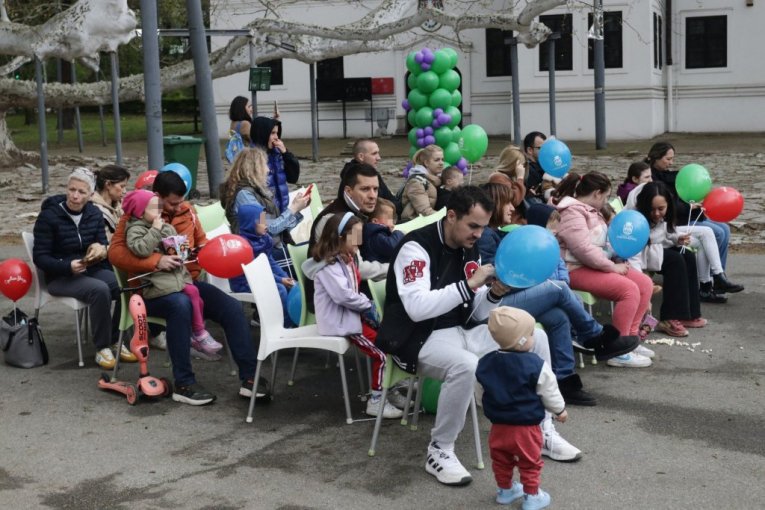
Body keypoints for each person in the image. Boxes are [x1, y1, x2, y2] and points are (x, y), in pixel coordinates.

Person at [376, 186, 580, 487]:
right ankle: (440, 449)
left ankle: (542, 430)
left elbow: (474, 312)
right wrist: (469, 285)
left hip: (463, 330)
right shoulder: (415, 247)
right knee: (466, 365)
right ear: (451, 216)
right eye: (473, 226)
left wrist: (493, 294)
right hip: (418, 337)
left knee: (535, 338)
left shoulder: (468, 245)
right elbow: (417, 309)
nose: (479, 234)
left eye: (483, 227)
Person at [109, 171, 267, 406]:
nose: (178, 206)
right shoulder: (138, 213)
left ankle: (250, 377)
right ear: (157, 196)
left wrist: (203, 252)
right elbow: (115, 254)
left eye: (181, 201)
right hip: (152, 289)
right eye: (172, 203)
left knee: (232, 308)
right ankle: (184, 383)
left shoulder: (188, 211)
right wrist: (156, 261)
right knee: (180, 306)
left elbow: (202, 242)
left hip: (186, 282)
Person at [478, 184, 630, 406]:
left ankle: (564, 380)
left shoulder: (500, 232)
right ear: (493, 205)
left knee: (558, 316)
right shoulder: (485, 236)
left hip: (510, 295)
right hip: (492, 303)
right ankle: (593, 335)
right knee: (556, 288)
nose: (512, 208)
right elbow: (492, 276)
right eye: (507, 203)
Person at [552, 171, 655, 368]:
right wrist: (612, 266)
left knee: (644, 284)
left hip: (595, 264)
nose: (606, 201)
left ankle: (631, 339)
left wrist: (615, 257)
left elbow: (600, 245)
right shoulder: (572, 213)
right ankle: (618, 349)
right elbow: (583, 250)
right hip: (574, 269)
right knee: (628, 290)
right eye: (606, 196)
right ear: (597, 193)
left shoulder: (590, 211)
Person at [32, 168, 130, 368]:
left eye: (81, 192)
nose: (75, 196)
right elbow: (40, 257)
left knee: (126, 284)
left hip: (90, 268)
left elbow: (103, 244)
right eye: (72, 190)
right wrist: (67, 266)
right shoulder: (49, 216)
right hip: (59, 276)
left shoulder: (93, 213)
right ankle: (102, 348)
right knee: (99, 290)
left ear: (91, 194)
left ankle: (116, 339)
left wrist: (99, 250)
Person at [309, 212, 402, 418]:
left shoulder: (347, 258)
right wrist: (367, 305)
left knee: (390, 339)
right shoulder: (329, 265)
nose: (360, 241)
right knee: (382, 353)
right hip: (341, 322)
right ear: (340, 237)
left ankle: (389, 390)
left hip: (351, 316)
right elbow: (343, 296)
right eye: (356, 236)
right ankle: (376, 401)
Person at [477, 307, 567, 509]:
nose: (533, 338)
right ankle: (532, 496)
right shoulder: (535, 364)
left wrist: (488, 406)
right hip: (526, 428)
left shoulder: (485, 363)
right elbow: (549, 391)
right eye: (531, 334)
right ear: (521, 340)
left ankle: (505, 491)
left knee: (501, 460)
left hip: (498, 426)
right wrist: (560, 410)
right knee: (530, 462)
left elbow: (480, 391)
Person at [122, 190, 223, 355]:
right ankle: (199, 333)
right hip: (156, 283)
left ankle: (195, 333)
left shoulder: (164, 226)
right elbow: (141, 249)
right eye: (154, 208)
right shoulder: (134, 230)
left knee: (196, 295)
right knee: (187, 299)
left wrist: (183, 248)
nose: (159, 211)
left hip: (174, 277)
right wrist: (156, 230)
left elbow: (178, 249)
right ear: (140, 212)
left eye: (159, 207)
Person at [645, 142, 742, 299]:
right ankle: (712, 279)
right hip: (677, 219)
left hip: (684, 215)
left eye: (672, 158)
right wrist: (688, 206)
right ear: (656, 157)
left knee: (724, 229)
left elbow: (679, 192)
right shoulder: (653, 181)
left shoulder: (666, 175)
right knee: (716, 232)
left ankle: (718, 276)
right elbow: (668, 205)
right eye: (668, 159)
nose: (671, 162)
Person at [304, 160, 388, 314]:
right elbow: (358, 267)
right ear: (348, 191)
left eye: (375, 189)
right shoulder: (343, 221)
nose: (372, 196)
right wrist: (393, 267)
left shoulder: (357, 213)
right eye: (365, 189)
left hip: (348, 287)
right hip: (329, 300)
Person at [629, 182, 706, 338]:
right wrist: (642, 281)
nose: (657, 213)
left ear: (668, 205)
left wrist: (678, 238)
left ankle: (689, 313)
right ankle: (669, 317)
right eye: (652, 209)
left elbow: (667, 232)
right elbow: (633, 255)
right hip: (642, 254)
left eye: (661, 209)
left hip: (657, 249)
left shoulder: (667, 215)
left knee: (688, 256)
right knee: (675, 261)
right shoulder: (635, 219)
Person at [219, 147, 310, 275]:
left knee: (313, 251)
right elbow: (268, 229)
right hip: (262, 254)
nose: (268, 170)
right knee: (310, 258)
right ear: (255, 169)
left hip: (272, 248)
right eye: (265, 165)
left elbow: (278, 229)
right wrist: (293, 208)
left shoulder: (258, 193)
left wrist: (297, 211)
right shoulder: (245, 195)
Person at [228, 202, 295, 327]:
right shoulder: (243, 246)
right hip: (244, 282)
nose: (266, 224)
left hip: (261, 277)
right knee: (280, 289)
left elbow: (270, 261)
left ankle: (290, 319)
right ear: (250, 224)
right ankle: (285, 325)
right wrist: (280, 280)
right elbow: (256, 272)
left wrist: (284, 276)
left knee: (292, 284)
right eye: (262, 221)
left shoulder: (264, 238)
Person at [250, 116, 300, 217]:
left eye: (277, 133)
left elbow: (293, 178)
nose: (276, 137)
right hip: (265, 216)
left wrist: (286, 153)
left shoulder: (277, 153)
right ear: (263, 134)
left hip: (282, 210)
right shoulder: (251, 158)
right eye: (272, 133)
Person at [337, 139, 395, 203]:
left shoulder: (350, 171)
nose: (379, 158)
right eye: (374, 153)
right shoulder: (363, 176)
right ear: (361, 157)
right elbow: (389, 199)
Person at [399, 144, 444, 221]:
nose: (441, 163)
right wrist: (447, 218)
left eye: (442, 159)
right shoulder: (416, 182)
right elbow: (424, 211)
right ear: (426, 163)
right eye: (437, 160)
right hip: (414, 223)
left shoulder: (438, 179)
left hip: (428, 220)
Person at [91, 164, 130, 242]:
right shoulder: (94, 211)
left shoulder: (120, 206)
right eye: (122, 186)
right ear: (108, 184)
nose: (125, 191)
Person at [360, 198, 404, 264]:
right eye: (389, 218)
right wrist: (398, 233)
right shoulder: (375, 235)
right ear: (375, 221)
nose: (393, 224)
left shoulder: (376, 233)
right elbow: (392, 246)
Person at [523, 131, 547, 200]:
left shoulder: (542, 166)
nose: (546, 151)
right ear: (530, 150)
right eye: (542, 148)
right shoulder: (528, 171)